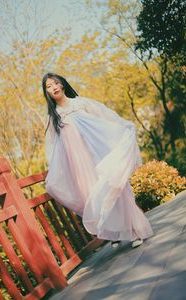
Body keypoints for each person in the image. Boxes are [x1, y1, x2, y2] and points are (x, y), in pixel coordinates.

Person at [42, 72, 153, 249]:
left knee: (114, 189)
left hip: (97, 155)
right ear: (46, 92)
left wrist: (122, 126)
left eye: (55, 83)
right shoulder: (53, 117)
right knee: (93, 196)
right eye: (48, 86)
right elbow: (53, 148)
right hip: (79, 165)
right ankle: (114, 232)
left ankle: (134, 231)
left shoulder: (80, 103)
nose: (53, 87)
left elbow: (104, 116)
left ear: (62, 84)